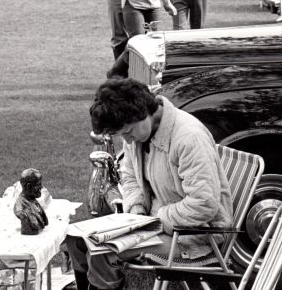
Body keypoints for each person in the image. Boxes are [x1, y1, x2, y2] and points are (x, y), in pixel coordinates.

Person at [65, 78, 234, 290]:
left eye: (127, 132)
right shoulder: (138, 132)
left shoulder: (189, 138)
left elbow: (204, 203)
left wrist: (155, 219)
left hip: (195, 235)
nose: (126, 140)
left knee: (102, 252)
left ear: (143, 111)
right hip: (152, 224)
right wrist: (136, 209)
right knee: (77, 241)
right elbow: (129, 175)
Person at [14, 168, 49, 235]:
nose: (41, 187)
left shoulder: (32, 200)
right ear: (29, 186)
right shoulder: (21, 210)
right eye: (38, 184)